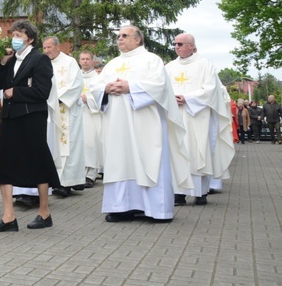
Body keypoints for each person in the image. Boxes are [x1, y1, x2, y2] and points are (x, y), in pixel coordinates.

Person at [94, 25, 191, 223]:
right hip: (117, 124)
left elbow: (160, 87)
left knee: (149, 159)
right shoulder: (112, 64)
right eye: (118, 36)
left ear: (138, 39)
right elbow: (94, 88)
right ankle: (121, 207)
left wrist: (131, 87)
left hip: (145, 122)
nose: (119, 39)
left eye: (124, 36)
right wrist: (105, 88)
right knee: (120, 161)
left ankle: (155, 209)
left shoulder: (151, 60)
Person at [0, 20, 59, 233]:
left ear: (30, 39)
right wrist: (2, 61)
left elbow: (42, 91)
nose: (14, 39)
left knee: (37, 160)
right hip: (10, 117)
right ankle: (8, 217)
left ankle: (44, 212)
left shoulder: (40, 59)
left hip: (31, 117)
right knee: (6, 164)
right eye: (13, 34)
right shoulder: (11, 60)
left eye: (19, 35)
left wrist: (16, 92)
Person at [165, 33, 234, 206]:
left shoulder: (205, 65)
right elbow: (162, 88)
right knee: (177, 151)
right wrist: (172, 99)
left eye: (180, 43)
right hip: (175, 115)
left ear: (191, 46)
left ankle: (200, 193)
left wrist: (187, 98)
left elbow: (211, 90)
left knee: (198, 152)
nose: (176, 46)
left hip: (198, 116)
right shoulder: (170, 67)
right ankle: (178, 193)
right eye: (175, 43)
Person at [42, 36, 85, 197]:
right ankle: (53, 181)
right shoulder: (43, 63)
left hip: (65, 109)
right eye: (44, 48)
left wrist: (57, 99)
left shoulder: (70, 62)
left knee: (68, 146)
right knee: (52, 145)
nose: (47, 51)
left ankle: (67, 183)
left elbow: (76, 84)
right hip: (49, 111)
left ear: (58, 47)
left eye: (49, 47)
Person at [80, 50, 105, 187]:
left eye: (87, 59)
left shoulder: (98, 78)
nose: (85, 61)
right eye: (82, 59)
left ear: (92, 61)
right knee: (78, 144)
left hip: (91, 114)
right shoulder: (75, 75)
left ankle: (91, 174)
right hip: (76, 114)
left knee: (90, 143)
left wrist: (87, 99)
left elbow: (101, 95)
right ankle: (80, 173)